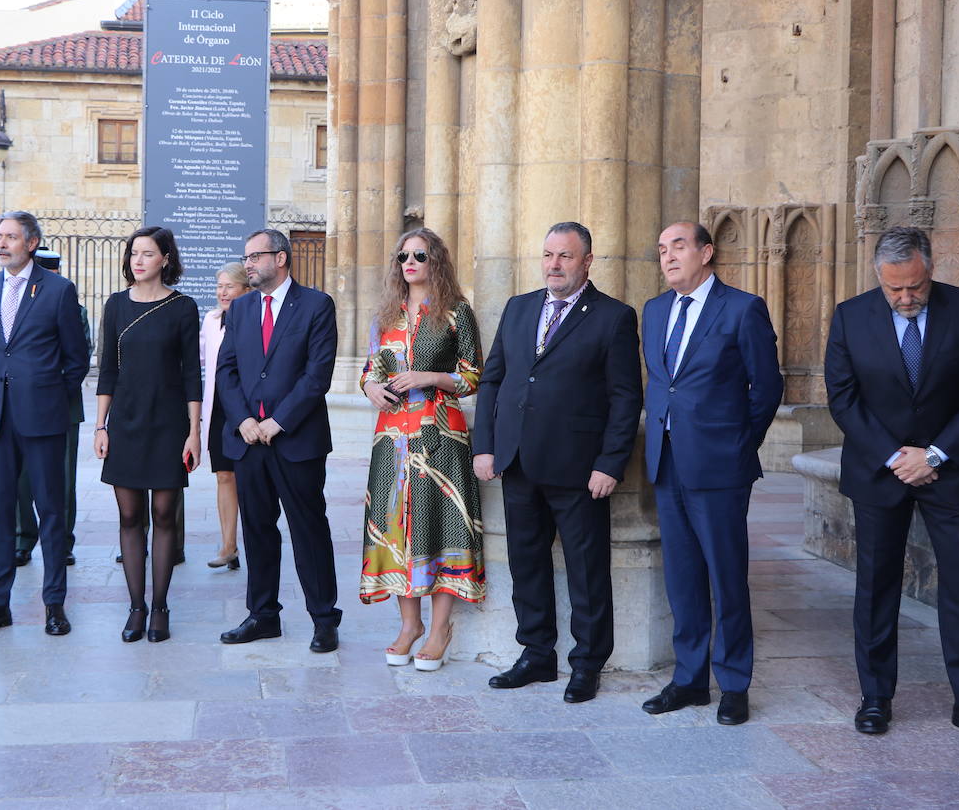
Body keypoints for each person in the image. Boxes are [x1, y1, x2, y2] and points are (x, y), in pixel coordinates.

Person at [825, 226, 959, 745]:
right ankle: (876, 698)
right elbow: (843, 398)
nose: (905, 298)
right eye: (894, 289)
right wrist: (894, 456)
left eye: (915, 288)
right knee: (876, 586)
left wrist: (935, 454)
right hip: (879, 473)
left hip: (952, 471)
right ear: (879, 278)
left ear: (930, 268)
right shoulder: (850, 315)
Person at [472, 222, 642, 703]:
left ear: (587, 261)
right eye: (548, 255)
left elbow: (625, 398)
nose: (554, 265)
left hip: (579, 469)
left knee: (587, 570)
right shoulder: (519, 307)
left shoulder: (613, 317)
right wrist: (485, 445)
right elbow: (493, 381)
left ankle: (587, 663)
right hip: (518, 460)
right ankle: (536, 655)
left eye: (565, 256)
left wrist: (610, 463)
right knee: (526, 563)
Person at [639, 222, 783, 726]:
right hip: (666, 461)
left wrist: (739, 444)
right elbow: (664, 385)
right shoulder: (654, 311)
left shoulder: (742, 308)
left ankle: (735, 683)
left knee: (726, 576)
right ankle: (690, 679)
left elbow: (765, 388)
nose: (668, 256)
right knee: (682, 578)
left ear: (706, 252)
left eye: (678, 246)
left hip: (720, 465)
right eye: (662, 249)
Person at [361, 228, 485, 671]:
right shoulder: (385, 315)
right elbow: (370, 369)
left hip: (440, 439)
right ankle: (409, 625)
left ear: (436, 261)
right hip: (391, 439)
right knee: (396, 525)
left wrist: (429, 377)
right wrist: (372, 387)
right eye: (403, 257)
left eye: (419, 255)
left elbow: (474, 376)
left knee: (440, 524)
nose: (409, 263)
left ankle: (439, 630)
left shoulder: (456, 312)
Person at [216, 228, 341, 652]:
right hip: (249, 441)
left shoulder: (316, 306)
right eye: (246, 257)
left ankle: (324, 619)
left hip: (296, 441)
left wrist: (279, 421)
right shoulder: (241, 309)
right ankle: (262, 615)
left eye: (256, 256)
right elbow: (226, 371)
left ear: (281, 258)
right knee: (257, 530)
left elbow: (317, 374)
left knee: (308, 530)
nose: (248, 263)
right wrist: (245, 420)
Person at [0, 211, 89, 637]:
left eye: (11, 237)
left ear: (31, 243)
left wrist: (48, 394)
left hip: (43, 418)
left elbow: (76, 359)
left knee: (51, 512)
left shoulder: (57, 290)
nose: (1, 244)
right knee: (0, 514)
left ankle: (54, 604)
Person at [95, 226, 201, 643]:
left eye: (147, 254)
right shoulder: (116, 305)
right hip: (126, 423)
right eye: (134, 253)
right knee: (128, 516)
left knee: (163, 516)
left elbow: (192, 372)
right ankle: (136, 607)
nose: (138, 261)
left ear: (165, 260)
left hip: (169, 423)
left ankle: (160, 608)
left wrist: (194, 432)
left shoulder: (182, 308)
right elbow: (107, 370)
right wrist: (101, 426)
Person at [14, 246, 90, 569]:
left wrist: (53, 392)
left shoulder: (73, 306)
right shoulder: (13, 305)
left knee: (62, 478)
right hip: (20, 405)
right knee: (20, 477)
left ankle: (61, 540)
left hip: (62, 405)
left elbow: (79, 355)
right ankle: (23, 537)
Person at [200, 261, 251, 569]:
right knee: (224, 475)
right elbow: (200, 359)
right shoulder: (211, 320)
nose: (223, 292)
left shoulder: (254, 317)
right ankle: (229, 545)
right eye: (219, 286)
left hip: (248, 409)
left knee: (250, 478)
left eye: (229, 286)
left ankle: (254, 541)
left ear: (246, 289)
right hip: (219, 408)